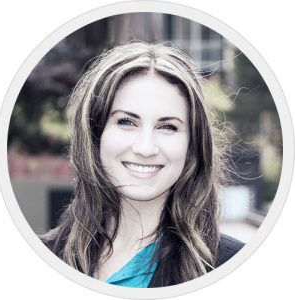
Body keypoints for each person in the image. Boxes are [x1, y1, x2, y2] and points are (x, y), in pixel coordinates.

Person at [40, 41, 244, 288]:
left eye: (167, 127)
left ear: (192, 145)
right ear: (96, 134)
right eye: (127, 122)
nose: (145, 148)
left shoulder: (233, 267)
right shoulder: (38, 259)